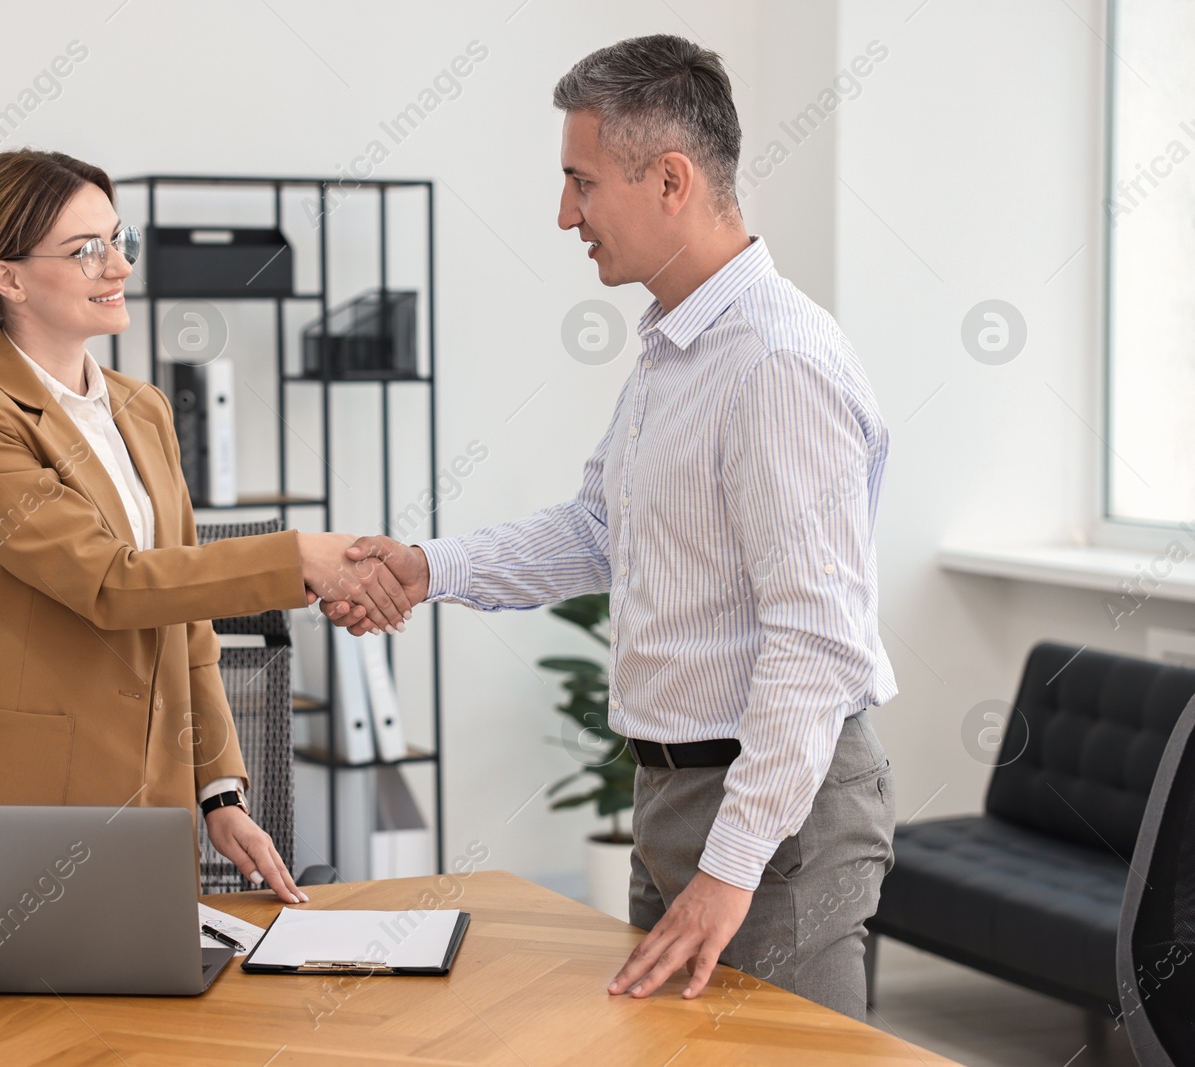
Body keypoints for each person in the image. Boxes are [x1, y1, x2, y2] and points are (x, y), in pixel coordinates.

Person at [318, 34, 897, 1021]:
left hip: (774, 821)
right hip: (676, 798)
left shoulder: (776, 363)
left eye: (580, 182)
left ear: (669, 179)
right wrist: (424, 566)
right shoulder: (675, 352)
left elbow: (814, 643)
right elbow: (597, 531)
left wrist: (730, 866)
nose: (563, 214)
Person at [0, 148, 413, 925]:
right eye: (84, 249)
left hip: (144, 812)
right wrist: (295, 557)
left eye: (119, 238)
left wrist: (219, 788)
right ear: (9, 277)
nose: (117, 263)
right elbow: (112, 583)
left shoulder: (142, 408)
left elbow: (185, 615)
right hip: (2, 812)